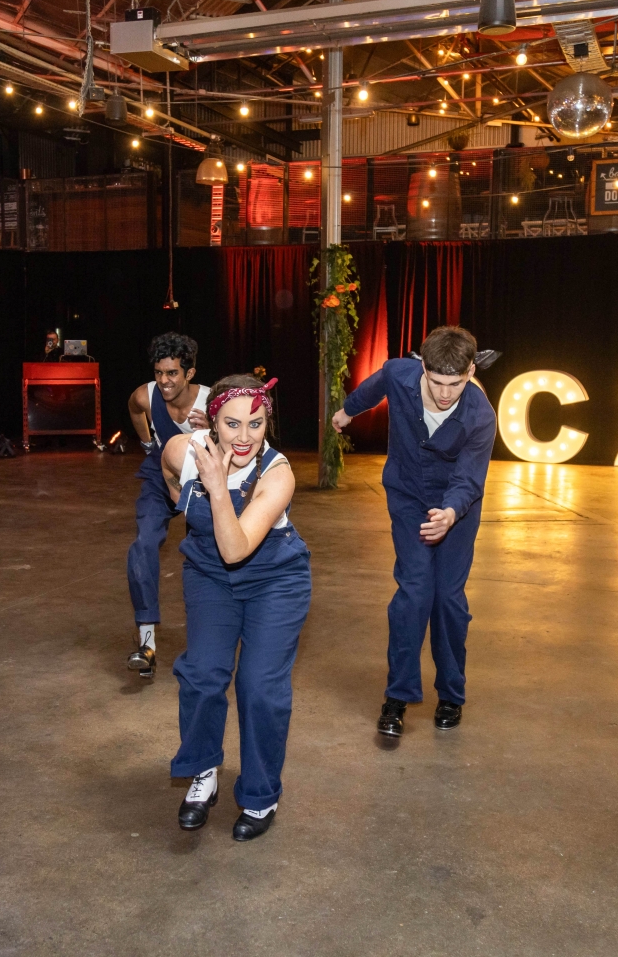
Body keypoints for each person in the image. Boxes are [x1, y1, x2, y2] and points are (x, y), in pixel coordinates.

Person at [162, 374, 311, 842]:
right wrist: (184, 492)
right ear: (212, 423)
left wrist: (216, 488)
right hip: (210, 576)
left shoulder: (277, 474)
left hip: (275, 580)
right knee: (202, 674)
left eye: (256, 423)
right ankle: (204, 772)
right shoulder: (184, 452)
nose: (244, 436)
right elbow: (168, 469)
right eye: (232, 424)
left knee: (259, 686)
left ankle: (261, 793)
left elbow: (236, 548)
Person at [332, 325, 494, 740]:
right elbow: (375, 385)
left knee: (448, 599)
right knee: (414, 592)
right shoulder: (399, 373)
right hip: (407, 498)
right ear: (423, 368)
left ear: (471, 372)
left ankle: (451, 694)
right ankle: (397, 695)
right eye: (437, 382)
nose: (445, 393)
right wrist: (348, 410)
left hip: (457, 509)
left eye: (455, 384)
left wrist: (450, 513)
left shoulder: (480, 415)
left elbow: (470, 478)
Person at [123, 332, 210, 678]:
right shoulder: (145, 395)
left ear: (189, 373)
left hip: (201, 479)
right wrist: (148, 442)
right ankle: (147, 644)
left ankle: (208, 640)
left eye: (172, 373)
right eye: (159, 372)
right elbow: (135, 409)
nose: (164, 380)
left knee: (203, 553)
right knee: (143, 544)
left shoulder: (211, 400)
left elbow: (243, 442)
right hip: (160, 475)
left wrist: (215, 429)